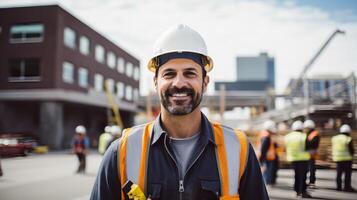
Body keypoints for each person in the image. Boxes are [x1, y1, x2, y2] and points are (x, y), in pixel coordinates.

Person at [90, 24, 268, 200]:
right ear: (155, 82)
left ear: (205, 82)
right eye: (169, 74)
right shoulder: (122, 152)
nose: (179, 83)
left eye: (190, 73)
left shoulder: (238, 148)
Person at [285, 120, 312, 198]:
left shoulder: (288, 136)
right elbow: (308, 147)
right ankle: (303, 191)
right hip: (303, 159)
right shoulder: (303, 136)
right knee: (303, 176)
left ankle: (296, 191)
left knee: (296, 175)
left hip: (292, 159)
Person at [331, 124, 355, 192]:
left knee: (339, 173)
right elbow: (351, 150)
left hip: (337, 158)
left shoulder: (335, 138)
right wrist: (352, 155)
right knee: (347, 174)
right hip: (347, 159)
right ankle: (347, 187)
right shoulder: (348, 139)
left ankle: (338, 187)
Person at [259, 120, 279, 186]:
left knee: (267, 170)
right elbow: (264, 148)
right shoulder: (266, 136)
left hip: (267, 156)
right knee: (267, 171)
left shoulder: (265, 134)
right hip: (268, 157)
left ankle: (267, 182)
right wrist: (262, 157)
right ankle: (267, 182)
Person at [303, 119, 320, 189]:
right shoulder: (306, 134)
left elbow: (314, 144)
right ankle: (307, 182)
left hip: (311, 154)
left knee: (312, 169)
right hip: (306, 154)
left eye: (306, 128)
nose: (305, 129)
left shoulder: (314, 134)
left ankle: (312, 182)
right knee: (306, 169)